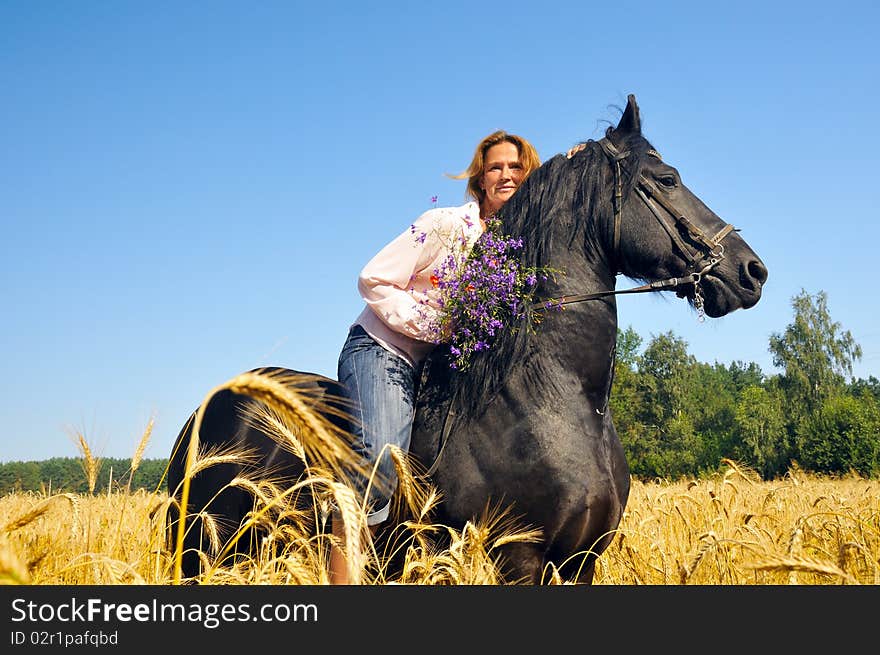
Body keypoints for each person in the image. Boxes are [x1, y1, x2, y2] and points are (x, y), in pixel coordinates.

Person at [329, 130, 542, 584]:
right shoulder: (445, 225)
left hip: (441, 370)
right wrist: (442, 327)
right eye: (495, 167)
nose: (505, 175)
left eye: (515, 167)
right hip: (384, 351)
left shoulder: (517, 250)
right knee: (381, 461)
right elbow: (373, 278)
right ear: (480, 179)